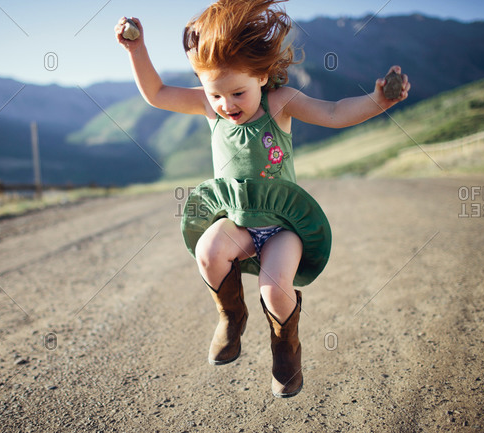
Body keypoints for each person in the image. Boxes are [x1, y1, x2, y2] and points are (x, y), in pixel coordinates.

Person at [115, 0, 409, 398]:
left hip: (283, 227)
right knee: (207, 251)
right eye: (216, 95)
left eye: (237, 93)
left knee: (274, 288)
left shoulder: (279, 102)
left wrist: (379, 101)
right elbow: (156, 93)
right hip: (237, 220)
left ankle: (285, 348)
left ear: (262, 75)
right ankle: (231, 317)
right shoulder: (209, 106)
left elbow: (336, 112)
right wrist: (136, 50)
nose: (227, 105)